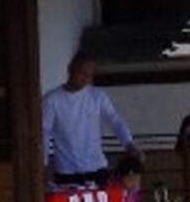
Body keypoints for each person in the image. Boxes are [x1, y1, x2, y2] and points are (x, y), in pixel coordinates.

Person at [43, 52, 138, 187]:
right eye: (81, 73)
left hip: (97, 168)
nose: (84, 79)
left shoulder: (97, 96)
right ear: (70, 69)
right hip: (67, 171)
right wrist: (43, 164)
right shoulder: (52, 99)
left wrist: (129, 144)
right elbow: (44, 133)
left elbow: (115, 120)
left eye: (89, 75)